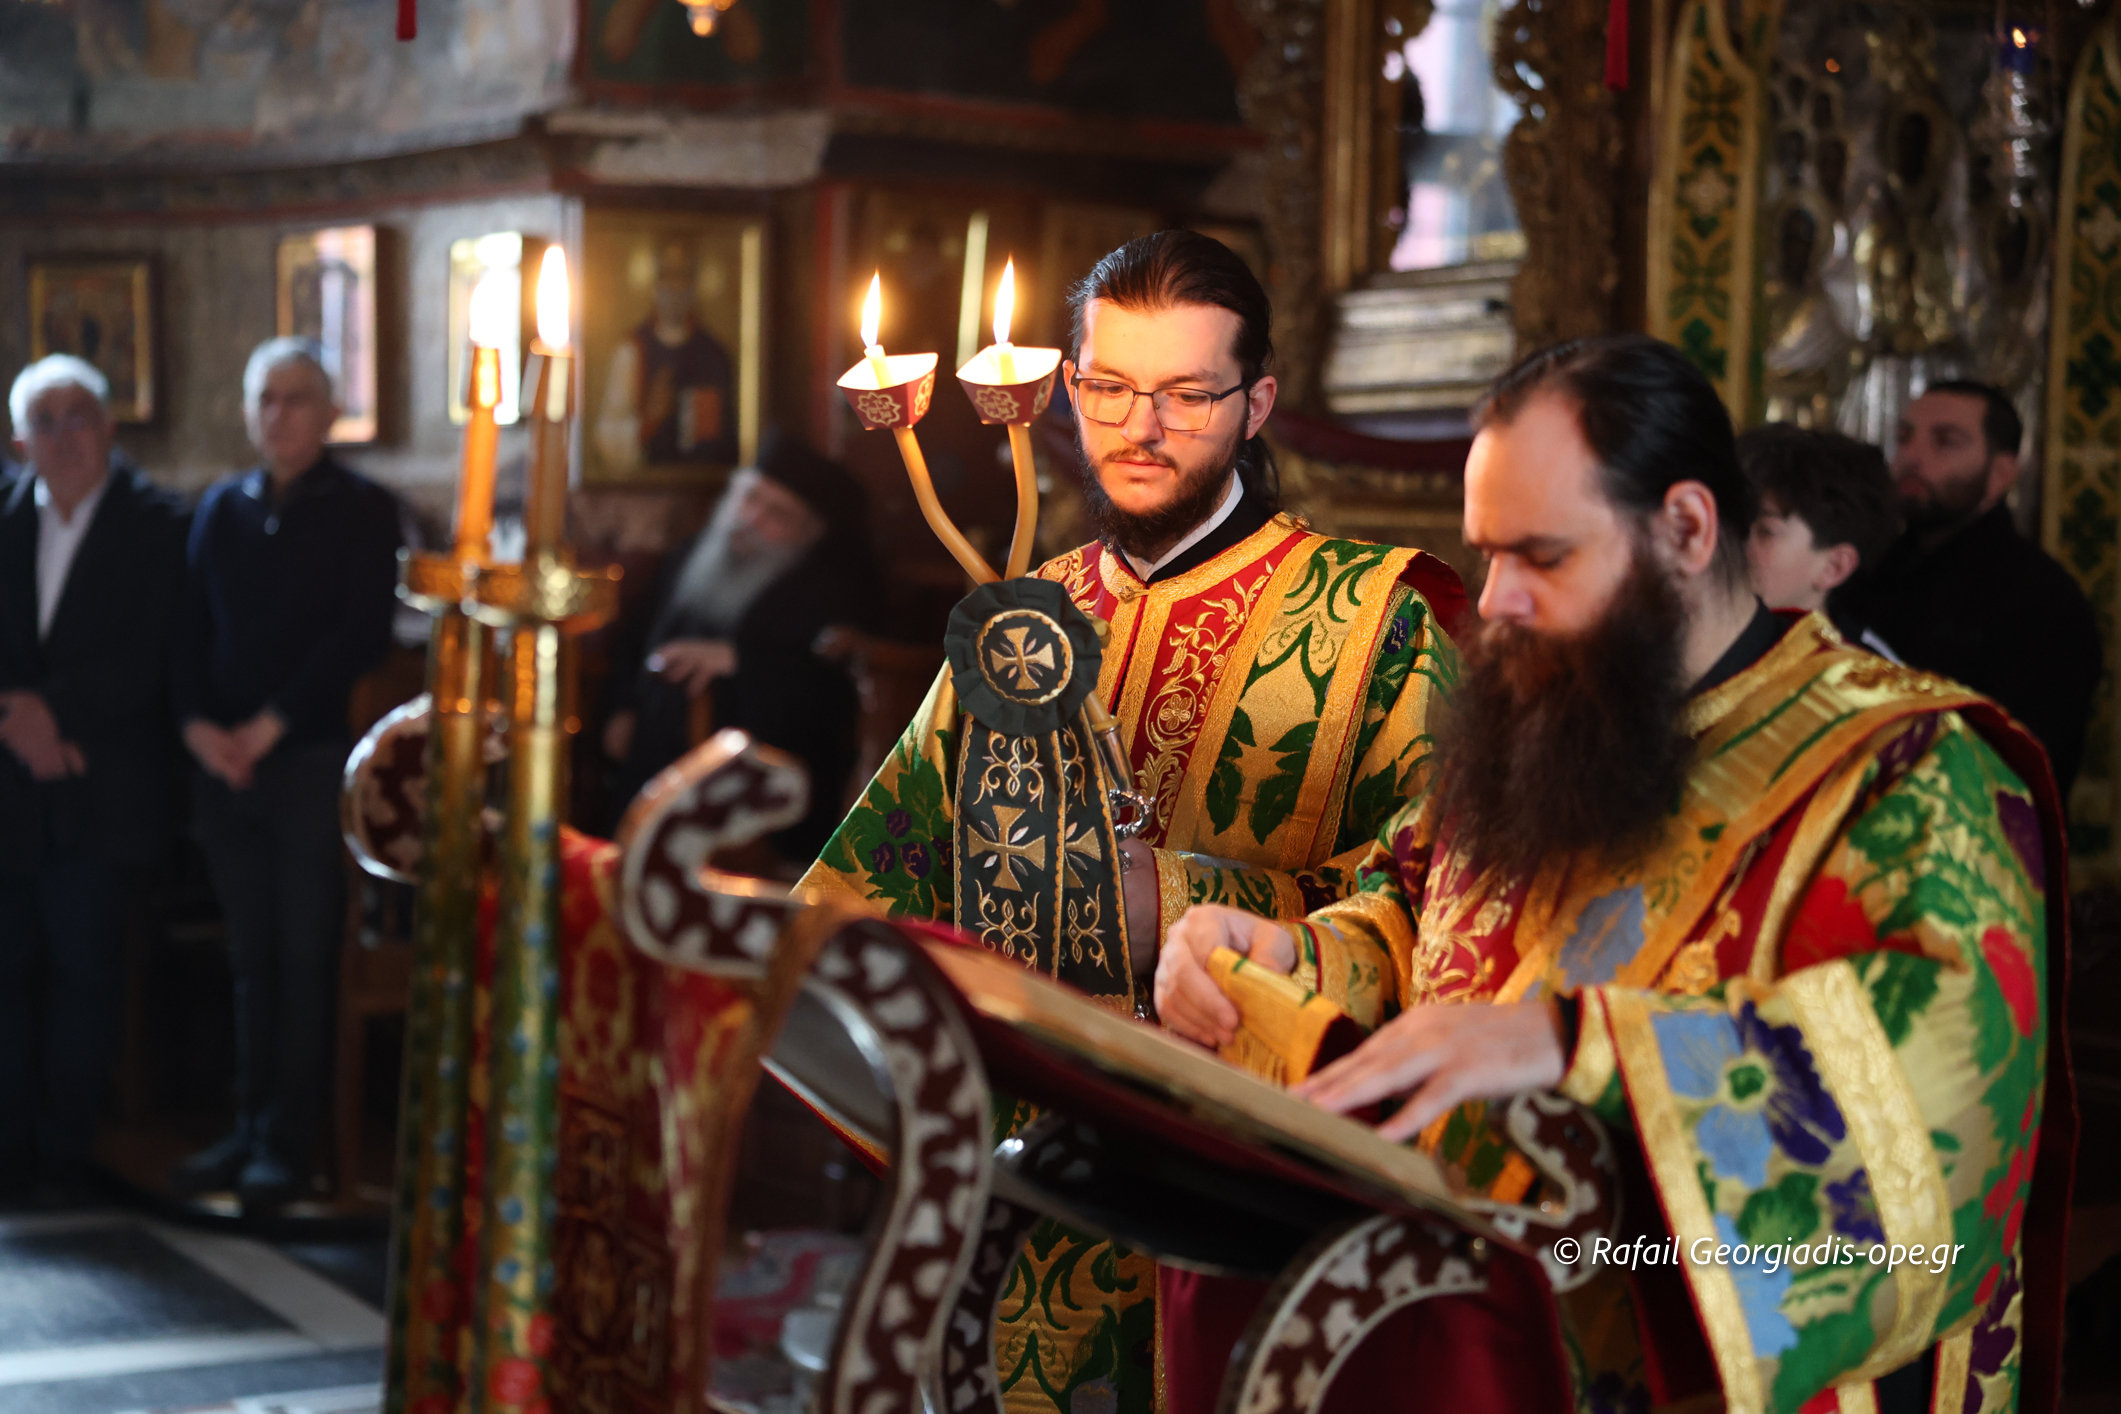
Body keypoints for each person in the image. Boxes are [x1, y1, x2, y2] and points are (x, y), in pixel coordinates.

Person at [1156, 336, 2071, 1414]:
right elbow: (1417, 921)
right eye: (1487, 555)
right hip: (1476, 1358)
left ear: (1685, 528)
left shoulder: (1905, 772)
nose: (1496, 601)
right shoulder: (1544, 715)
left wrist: (1573, 1044)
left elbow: (1946, 1107)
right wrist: (1288, 958)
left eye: (1541, 557)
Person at [799, 230, 1468, 1414]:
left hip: (1235, 1204)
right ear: (1066, 384)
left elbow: (1440, 922)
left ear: (1257, 404)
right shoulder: (1023, 619)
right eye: (1107, 386)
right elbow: (874, 878)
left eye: (1187, 395)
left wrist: (1189, 902)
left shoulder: (1382, 622)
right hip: (1019, 1195)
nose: (1139, 428)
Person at [171, 337, 402, 1206]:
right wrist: (198, 729)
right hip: (222, 765)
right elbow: (186, 629)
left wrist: (267, 729)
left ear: (330, 412)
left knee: (304, 953)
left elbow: (356, 637)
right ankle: (246, 1124)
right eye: (264, 399)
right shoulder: (221, 507)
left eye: (296, 398)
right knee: (250, 955)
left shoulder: (362, 510)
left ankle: (290, 1140)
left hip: (307, 758)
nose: (278, 414)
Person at [0, 356, 187, 1200]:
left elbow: (154, 653)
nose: (64, 435)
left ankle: (65, 1153)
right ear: (19, 442)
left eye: (79, 416)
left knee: (85, 971)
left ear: (110, 428)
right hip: (9, 782)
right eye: (44, 421)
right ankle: (8, 1150)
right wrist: (19, 722)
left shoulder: (160, 525)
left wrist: (55, 718)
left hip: (102, 780)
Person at [603, 432, 884, 864]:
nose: (752, 518)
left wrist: (741, 661)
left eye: (778, 514)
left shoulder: (829, 593)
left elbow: (827, 694)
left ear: (809, 533)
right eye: (750, 498)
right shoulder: (690, 554)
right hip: (648, 767)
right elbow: (634, 638)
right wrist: (622, 707)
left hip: (752, 806)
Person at [1837, 381, 2101, 798]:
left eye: (1945, 441)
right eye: (1904, 437)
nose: (1912, 456)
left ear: (2000, 474)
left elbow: (2020, 766)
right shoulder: (1870, 569)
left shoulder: (2040, 598)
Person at [1738, 423, 1900, 654]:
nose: (1729, 541)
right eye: (1728, 519)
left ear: (1834, 567)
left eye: (1765, 531)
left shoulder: (1864, 671)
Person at [593, 241, 738, 474]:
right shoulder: (632, 351)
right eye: (668, 275)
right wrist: (649, 421)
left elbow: (725, 442)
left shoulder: (713, 355)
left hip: (700, 484)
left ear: (693, 285)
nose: (675, 287)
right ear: (655, 284)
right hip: (646, 483)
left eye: (682, 276)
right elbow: (606, 437)